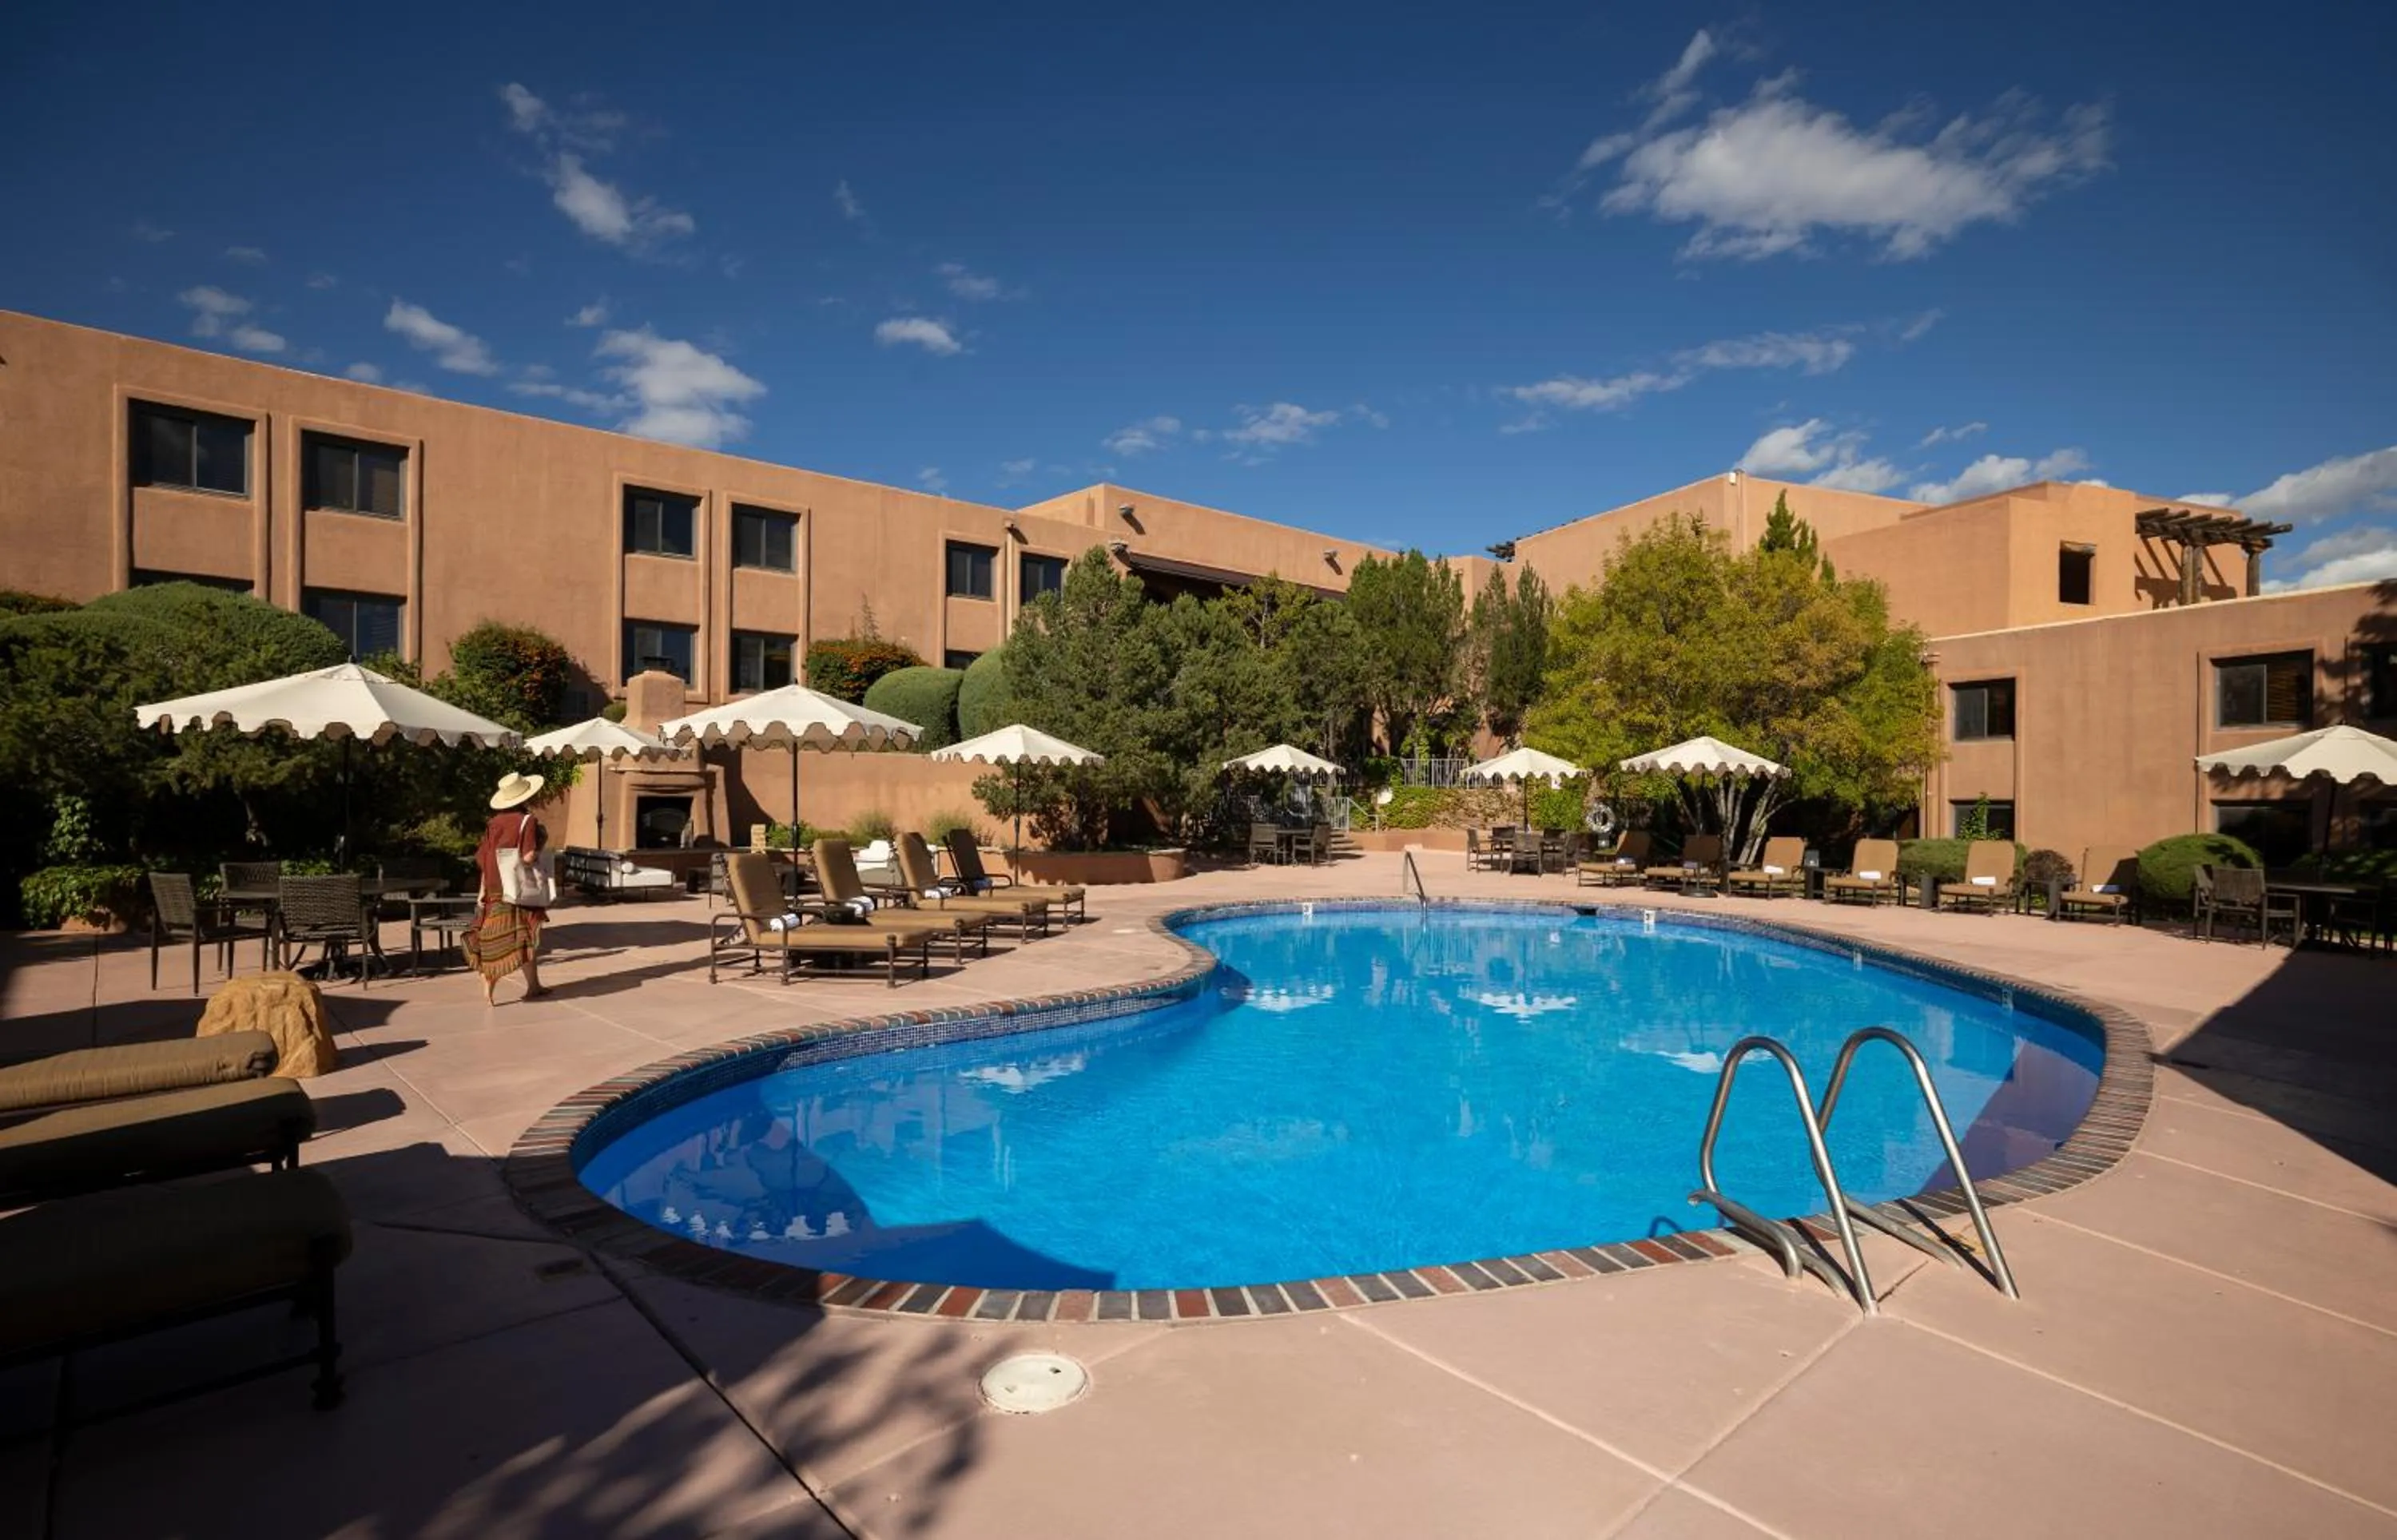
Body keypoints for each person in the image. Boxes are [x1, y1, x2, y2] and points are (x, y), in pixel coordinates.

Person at [467, 771, 552, 1005]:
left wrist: (482, 890)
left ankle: (527, 985)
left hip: (495, 888)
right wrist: (540, 849)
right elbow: (526, 858)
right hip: (519, 889)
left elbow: (485, 859)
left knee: (497, 936)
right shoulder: (528, 821)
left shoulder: (493, 823)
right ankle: (501, 983)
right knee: (522, 938)